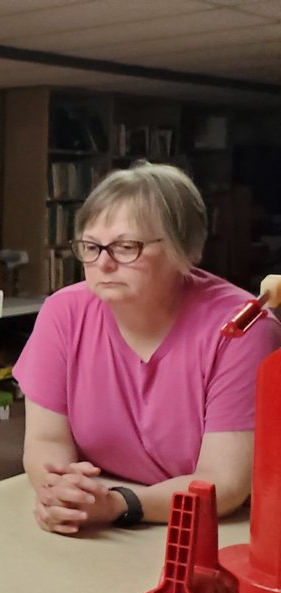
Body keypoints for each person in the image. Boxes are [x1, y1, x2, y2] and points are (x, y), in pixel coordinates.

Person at [15, 162, 281, 535]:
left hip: (211, 528)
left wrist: (118, 504)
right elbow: (46, 440)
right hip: (101, 516)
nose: (103, 263)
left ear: (183, 250)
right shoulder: (64, 312)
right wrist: (62, 494)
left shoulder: (242, 328)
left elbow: (224, 483)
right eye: (91, 247)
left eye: (126, 247)